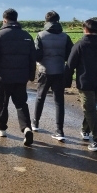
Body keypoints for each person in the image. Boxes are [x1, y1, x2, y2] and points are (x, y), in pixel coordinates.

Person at [0, 8, 36, 146]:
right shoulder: (26, 36)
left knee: (3, 103)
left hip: (4, 76)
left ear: (4, 20)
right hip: (21, 76)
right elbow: (33, 57)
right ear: (16, 19)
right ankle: (26, 128)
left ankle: (2, 128)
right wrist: (31, 75)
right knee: (21, 103)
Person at [67, 18, 97, 152]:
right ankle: (85, 130)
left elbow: (70, 65)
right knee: (90, 107)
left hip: (85, 83)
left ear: (85, 29)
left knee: (88, 109)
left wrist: (66, 82)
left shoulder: (80, 45)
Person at [33, 11, 73, 141]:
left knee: (40, 97)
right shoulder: (65, 37)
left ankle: (35, 123)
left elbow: (37, 55)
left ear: (46, 21)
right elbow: (69, 56)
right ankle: (59, 130)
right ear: (58, 21)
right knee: (59, 101)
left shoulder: (40, 35)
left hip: (45, 71)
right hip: (59, 71)